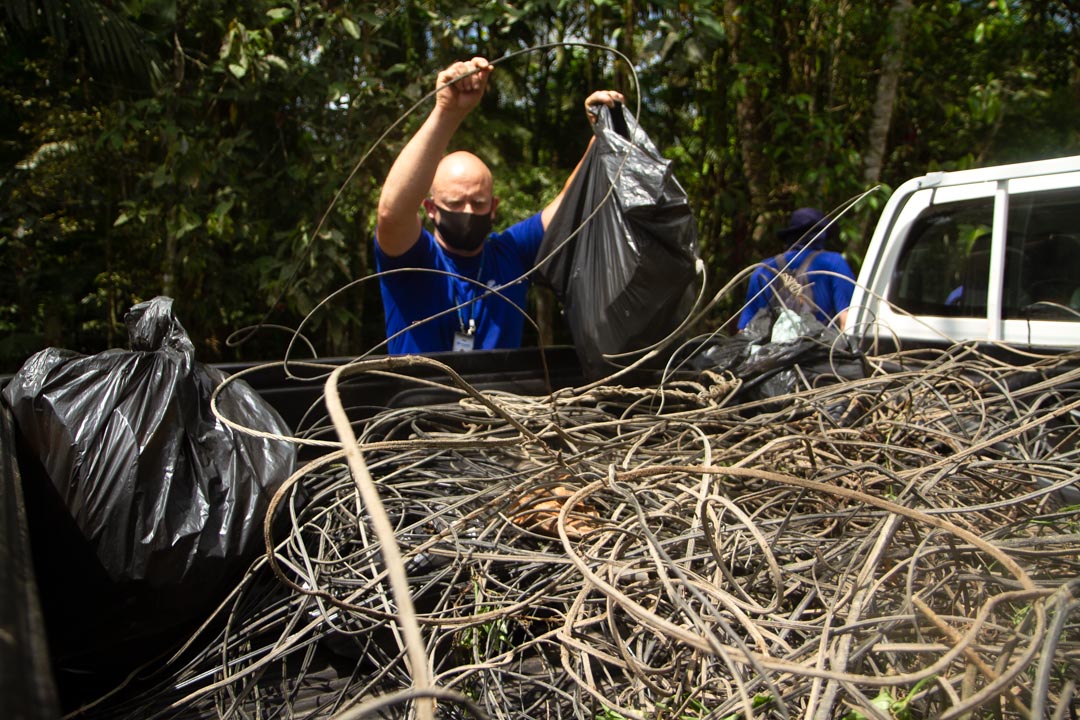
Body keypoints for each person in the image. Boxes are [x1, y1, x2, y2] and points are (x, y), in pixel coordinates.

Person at [374, 56, 623, 354]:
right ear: (430, 208)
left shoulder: (511, 254)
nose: (467, 211)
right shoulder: (414, 260)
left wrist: (602, 135)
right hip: (421, 398)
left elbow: (572, 204)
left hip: (499, 399)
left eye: (478, 203)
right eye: (455, 202)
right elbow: (391, 213)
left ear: (493, 207)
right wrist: (447, 112)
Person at [737, 207, 857, 331]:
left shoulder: (764, 269)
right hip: (820, 347)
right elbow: (847, 321)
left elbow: (745, 329)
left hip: (770, 349)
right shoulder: (834, 263)